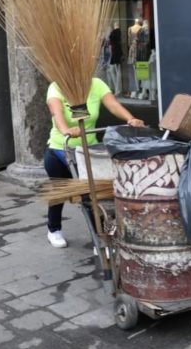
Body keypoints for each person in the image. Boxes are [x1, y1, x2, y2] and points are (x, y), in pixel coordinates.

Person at [44, 78, 145, 248]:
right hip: (60, 150)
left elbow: (113, 105)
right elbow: (56, 113)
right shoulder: (57, 87)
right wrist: (66, 131)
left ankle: (101, 237)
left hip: (88, 150)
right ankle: (54, 230)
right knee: (58, 194)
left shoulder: (96, 84)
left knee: (91, 195)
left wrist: (130, 118)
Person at [109, 21, 123, 96]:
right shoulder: (117, 32)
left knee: (117, 72)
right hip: (116, 53)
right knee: (115, 71)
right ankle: (117, 89)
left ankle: (118, 90)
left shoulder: (116, 32)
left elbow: (115, 43)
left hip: (116, 53)